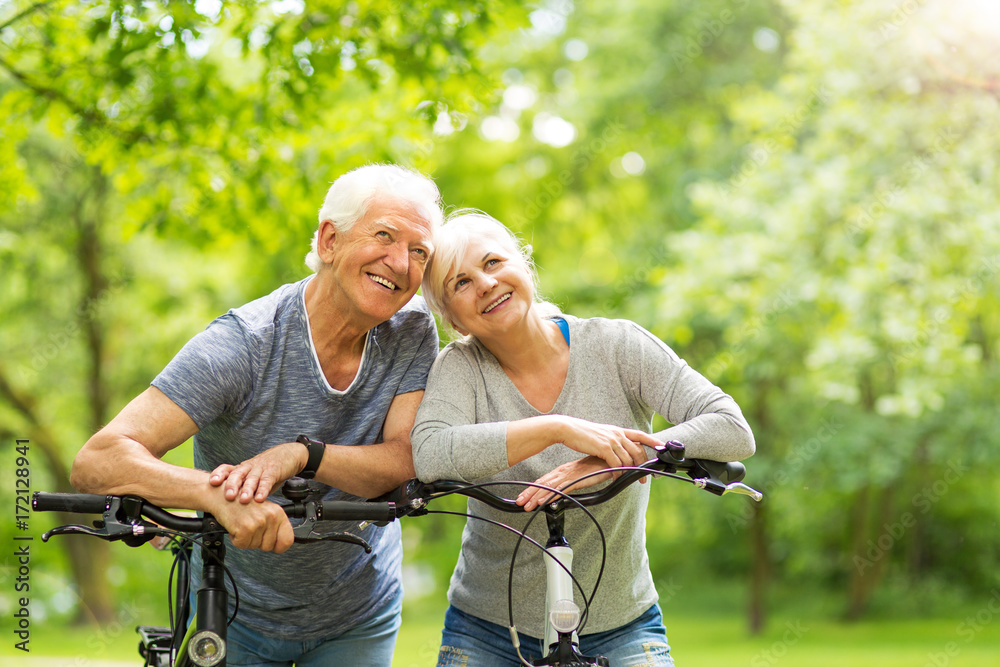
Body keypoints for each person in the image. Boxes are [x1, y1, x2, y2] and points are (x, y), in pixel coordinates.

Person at [70, 163, 443, 666]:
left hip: (359, 609)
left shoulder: (412, 330)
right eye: (384, 236)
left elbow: (402, 460)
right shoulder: (243, 345)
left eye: (419, 251)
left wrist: (301, 456)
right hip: (235, 609)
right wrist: (213, 496)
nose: (401, 263)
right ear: (330, 241)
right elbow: (97, 461)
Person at [410, 210, 756, 667]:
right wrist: (557, 428)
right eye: (460, 283)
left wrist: (606, 464)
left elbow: (731, 427)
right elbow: (430, 455)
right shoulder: (460, 368)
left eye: (493, 263)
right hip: (489, 628)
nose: (486, 284)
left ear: (523, 264)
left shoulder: (617, 346)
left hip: (620, 624)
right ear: (452, 319)